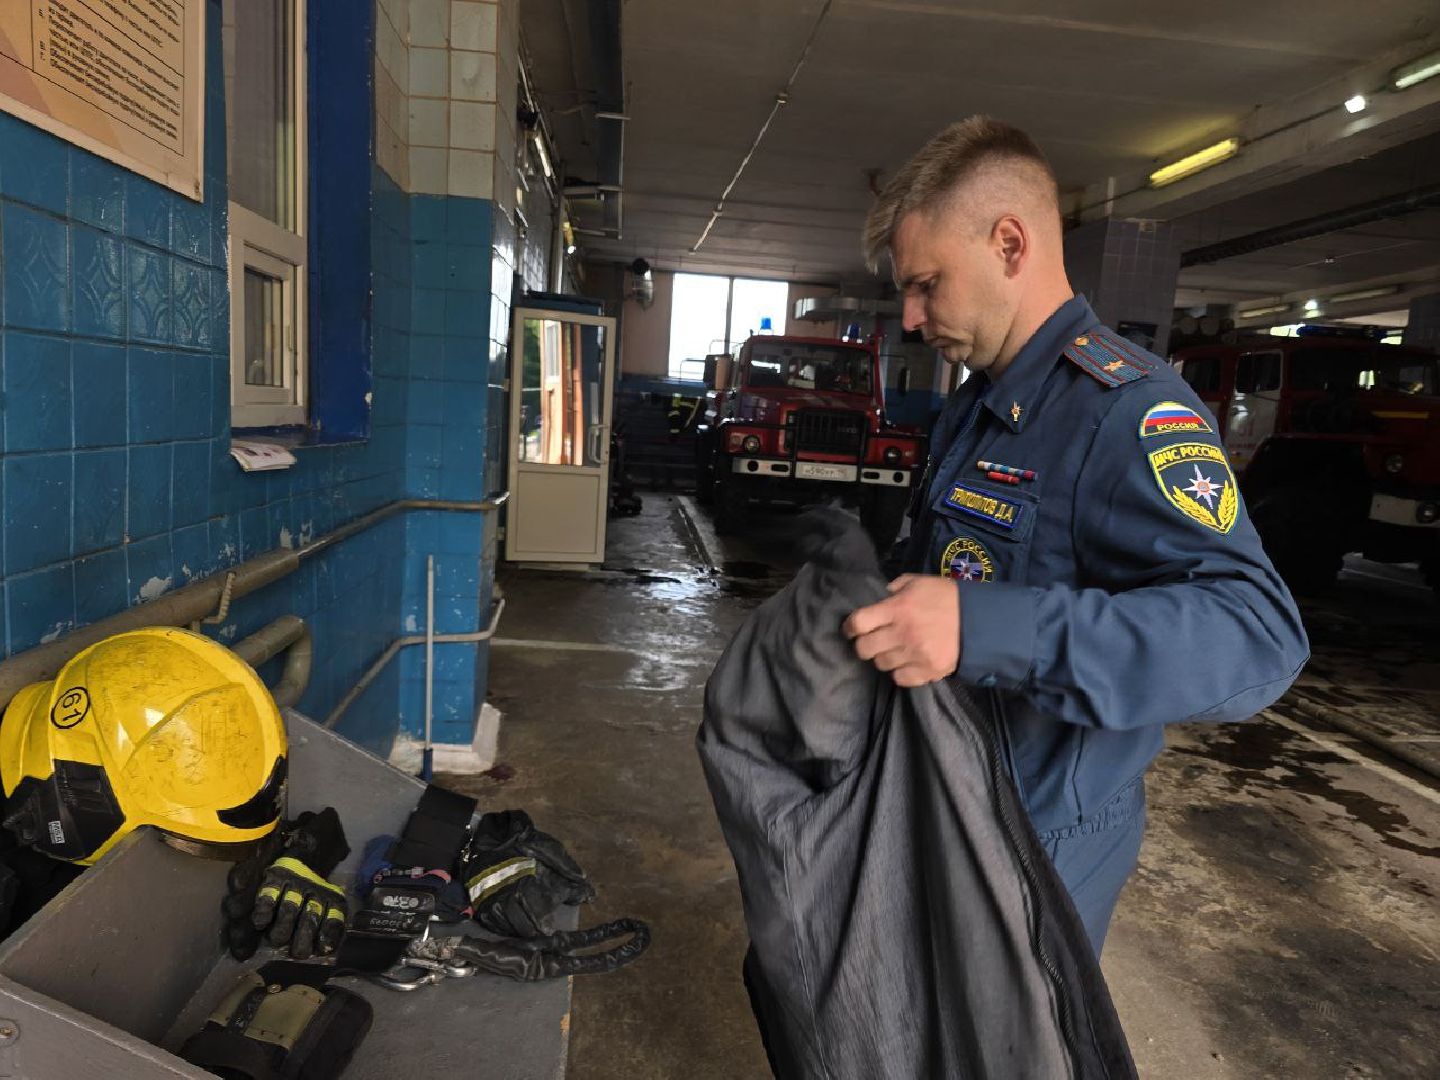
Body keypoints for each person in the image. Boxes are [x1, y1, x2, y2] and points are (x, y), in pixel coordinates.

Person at [843, 116, 1309, 952]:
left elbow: (1257, 638)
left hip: (1037, 838)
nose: (910, 318)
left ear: (1010, 244)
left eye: (925, 284)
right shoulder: (980, 401)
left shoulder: (1125, 411)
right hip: (950, 798)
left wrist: (985, 629)